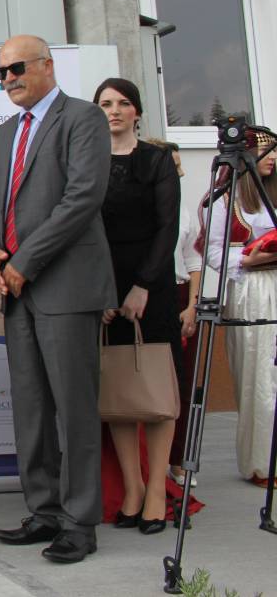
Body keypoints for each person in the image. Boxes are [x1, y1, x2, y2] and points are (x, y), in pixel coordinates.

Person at [0, 34, 115, 565]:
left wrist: (24, 262)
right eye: (1, 72)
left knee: (74, 410)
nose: (9, 78)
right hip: (17, 291)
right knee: (31, 408)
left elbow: (82, 198)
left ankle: (80, 523)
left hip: (67, 286)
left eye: (17, 68)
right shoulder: (4, 132)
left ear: (47, 66)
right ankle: (44, 511)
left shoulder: (83, 118)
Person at [92, 78, 181, 533]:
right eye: (105, 103)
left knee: (157, 392)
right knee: (120, 389)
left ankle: (156, 490)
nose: (114, 110)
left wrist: (143, 285)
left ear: (137, 112)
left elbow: (168, 227)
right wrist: (103, 291)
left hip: (153, 286)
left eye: (123, 103)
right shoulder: (86, 162)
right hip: (105, 288)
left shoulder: (157, 159)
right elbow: (84, 231)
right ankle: (131, 488)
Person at [206, 130, 277, 485]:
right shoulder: (226, 199)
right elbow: (212, 251)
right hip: (252, 290)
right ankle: (263, 462)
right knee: (259, 376)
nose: (272, 157)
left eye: (274, 151)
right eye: (264, 151)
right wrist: (249, 259)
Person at [153, 139, 201, 486]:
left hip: (181, 293)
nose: (181, 172)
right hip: (149, 295)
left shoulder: (184, 209)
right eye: (174, 166)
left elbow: (194, 259)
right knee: (149, 383)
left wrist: (192, 305)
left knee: (182, 382)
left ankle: (178, 460)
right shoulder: (140, 206)